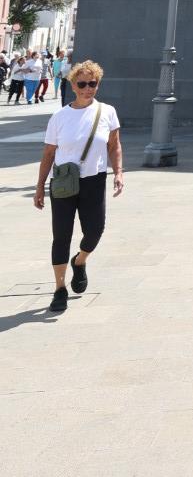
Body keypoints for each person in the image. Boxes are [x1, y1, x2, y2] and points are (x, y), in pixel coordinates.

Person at [33, 59, 124, 314]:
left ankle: (80, 260)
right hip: (64, 182)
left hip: (94, 180)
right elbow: (48, 154)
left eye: (92, 83)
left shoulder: (107, 112)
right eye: (82, 84)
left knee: (95, 230)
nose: (87, 88)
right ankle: (59, 288)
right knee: (61, 235)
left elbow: (114, 145)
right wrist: (40, 187)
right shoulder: (60, 117)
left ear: (98, 84)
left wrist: (118, 172)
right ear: (73, 85)